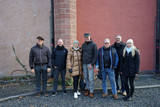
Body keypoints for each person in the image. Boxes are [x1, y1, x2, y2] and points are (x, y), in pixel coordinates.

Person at [82, 33, 98, 98]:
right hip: (84, 63)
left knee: (91, 78)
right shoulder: (83, 45)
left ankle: (91, 91)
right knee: (86, 78)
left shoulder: (93, 44)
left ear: (89, 37)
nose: (86, 38)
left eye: (87, 37)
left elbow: (95, 55)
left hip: (90, 64)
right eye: (85, 37)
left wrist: (92, 64)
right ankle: (88, 89)